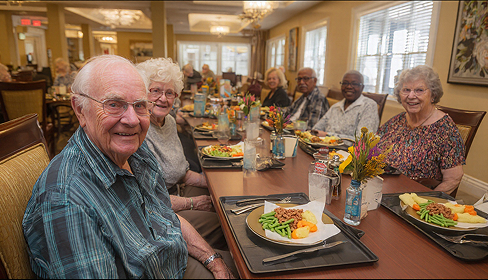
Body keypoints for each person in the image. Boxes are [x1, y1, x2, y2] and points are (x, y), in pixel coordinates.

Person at [22, 55, 236, 279]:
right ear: (80, 109)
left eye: (140, 105)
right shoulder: (67, 201)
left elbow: (164, 217)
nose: (132, 120)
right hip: (162, 269)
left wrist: (213, 260)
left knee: (241, 246)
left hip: (168, 257)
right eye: (114, 104)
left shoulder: (135, 152)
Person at [136, 58, 226, 249]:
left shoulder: (168, 121)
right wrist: (192, 203)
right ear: (143, 92)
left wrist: (214, 181)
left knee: (226, 202)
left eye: (169, 93)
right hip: (158, 212)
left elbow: (181, 171)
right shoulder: (138, 129)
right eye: (156, 91)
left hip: (178, 191)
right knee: (224, 225)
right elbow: (147, 199)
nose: (163, 98)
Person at [376, 65, 465, 194]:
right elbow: (373, 147)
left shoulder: (445, 129)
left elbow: (453, 179)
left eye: (419, 90)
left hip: (413, 197)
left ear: (433, 95)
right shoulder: (397, 120)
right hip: (382, 189)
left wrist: (425, 203)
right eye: (406, 90)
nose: (411, 96)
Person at [312, 70, 379, 139]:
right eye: (345, 83)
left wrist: (328, 135)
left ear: (362, 87)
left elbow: (362, 140)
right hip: (323, 147)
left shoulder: (368, 106)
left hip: (348, 149)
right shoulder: (335, 107)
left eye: (354, 84)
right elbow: (316, 130)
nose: (349, 87)